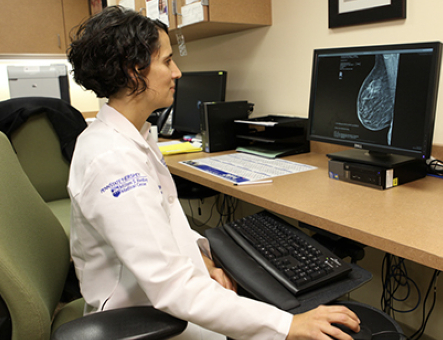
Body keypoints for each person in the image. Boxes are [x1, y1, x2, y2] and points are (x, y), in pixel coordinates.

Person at [66, 6, 360, 340]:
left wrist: (200, 256)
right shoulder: (112, 160)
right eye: (167, 61)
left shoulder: (132, 137)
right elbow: (172, 288)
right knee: (292, 318)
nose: (177, 72)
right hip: (146, 323)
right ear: (135, 72)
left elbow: (159, 225)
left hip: (163, 301)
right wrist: (287, 326)